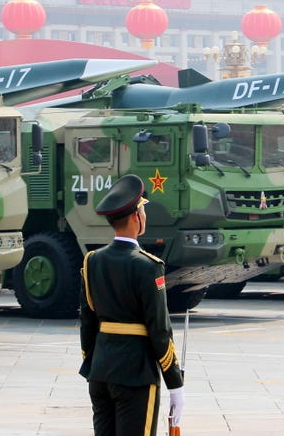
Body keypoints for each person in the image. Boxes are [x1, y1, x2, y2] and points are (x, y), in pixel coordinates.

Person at [79, 174, 185, 435]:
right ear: (137, 216)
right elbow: (160, 330)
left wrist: (95, 364)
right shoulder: (148, 266)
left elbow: (87, 322)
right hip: (135, 375)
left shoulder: (92, 261)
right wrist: (175, 383)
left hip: (100, 373)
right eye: (143, 210)